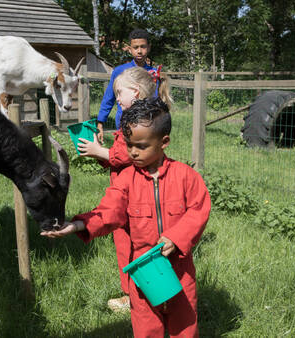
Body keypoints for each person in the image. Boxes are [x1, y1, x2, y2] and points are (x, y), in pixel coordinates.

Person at [42, 97, 211, 337]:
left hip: (179, 269)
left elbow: (198, 210)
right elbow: (109, 212)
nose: (132, 151)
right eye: (129, 144)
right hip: (142, 271)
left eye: (141, 146)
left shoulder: (186, 176)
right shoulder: (125, 180)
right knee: (145, 326)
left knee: (184, 325)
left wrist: (175, 237)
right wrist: (78, 224)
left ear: (164, 142)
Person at [77, 66, 173, 312]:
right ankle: (147, 293)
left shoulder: (138, 124)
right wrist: (99, 152)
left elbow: (125, 155)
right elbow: (116, 157)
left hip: (131, 197)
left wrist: (101, 151)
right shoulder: (135, 121)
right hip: (129, 194)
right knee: (136, 245)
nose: (117, 98)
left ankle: (134, 296)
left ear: (137, 93)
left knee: (130, 246)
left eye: (119, 93)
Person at [96, 28, 156, 143]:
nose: (139, 51)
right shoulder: (119, 71)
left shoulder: (153, 74)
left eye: (143, 47)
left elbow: (157, 99)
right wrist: (100, 122)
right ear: (129, 49)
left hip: (147, 127)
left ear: (149, 47)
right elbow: (109, 98)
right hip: (123, 125)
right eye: (135, 47)